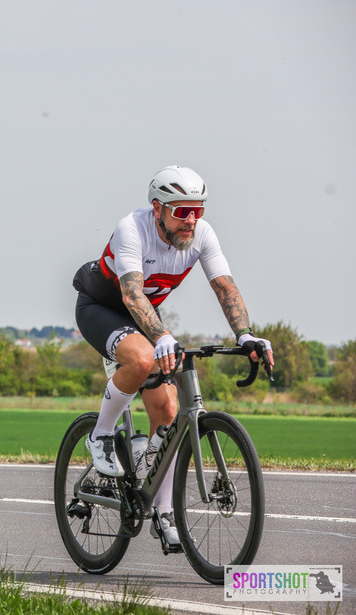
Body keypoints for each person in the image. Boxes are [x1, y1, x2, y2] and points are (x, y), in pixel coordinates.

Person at [72, 165, 274, 548]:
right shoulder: (132, 228)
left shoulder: (202, 234)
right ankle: (99, 436)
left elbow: (224, 285)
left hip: (146, 317)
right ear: (157, 209)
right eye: (182, 211)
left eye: (198, 210)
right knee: (143, 358)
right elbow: (132, 294)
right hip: (102, 307)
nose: (191, 220)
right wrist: (162, 335)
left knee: (168, 412)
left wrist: (245, 334)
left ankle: (162, 511)